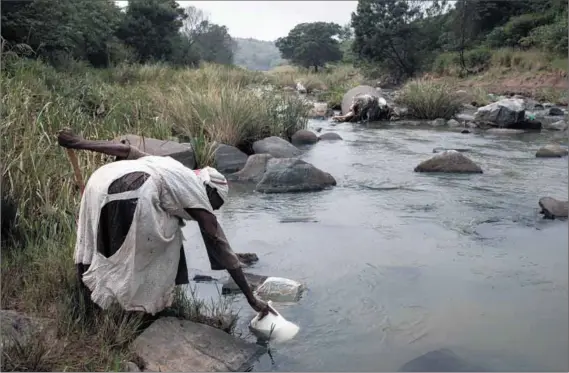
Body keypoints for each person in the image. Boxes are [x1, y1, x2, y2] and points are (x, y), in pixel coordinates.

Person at [57, 128, 274, 317]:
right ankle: (142, 305)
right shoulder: (197, 191)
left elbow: (124, 151)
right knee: (170, 234)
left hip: (99, 180)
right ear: (209, 191)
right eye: (215, 203)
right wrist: (251, 298)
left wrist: (78, 143)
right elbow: (220, 244)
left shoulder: (170, 166)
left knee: (92, 243)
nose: (213, 209)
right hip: (132, 190)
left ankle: (84, 301)